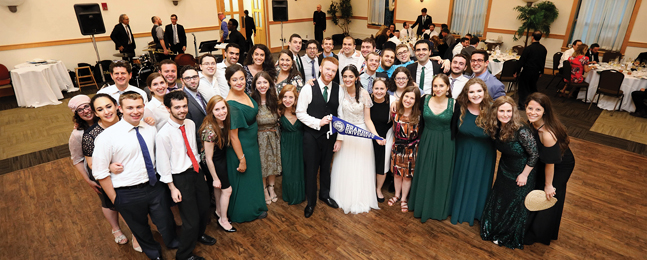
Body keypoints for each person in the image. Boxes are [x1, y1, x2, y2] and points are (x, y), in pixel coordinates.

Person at [92, 91, 179, 259]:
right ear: (120, 109)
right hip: (127, 191)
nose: (135, 111)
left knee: (166, 220)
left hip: (154, 185)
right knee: (140, 228)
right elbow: (100, 172)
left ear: (144, 107)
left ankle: (173, 242)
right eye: (130, 108)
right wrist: (115, 199)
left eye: (139, 107)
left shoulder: (149, 128)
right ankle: (154, 253)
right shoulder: (106, 137)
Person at [69, 94, 137, 250]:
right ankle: (116, 229)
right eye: (81, 110)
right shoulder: (79, 134)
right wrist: (88, 180)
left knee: (127, 202)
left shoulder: (120, 119)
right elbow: (78, 159)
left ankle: (136, 232)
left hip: (123, 168)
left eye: (87, 107)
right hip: (100, 171)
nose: (86, 111)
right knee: (109, 202)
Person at [156, 90, 216, 260]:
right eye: (177, 107)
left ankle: (199, 235)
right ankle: (184, 255)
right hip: (179, 178)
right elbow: (163, 164)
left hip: (195, 172)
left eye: (184, 106)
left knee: (204, 209)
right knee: (191, 220)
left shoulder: (189, 123)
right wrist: (172, 187)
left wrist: (200, 171)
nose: (182, 110)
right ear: (168, 109)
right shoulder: (163, 134)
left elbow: (194, 150)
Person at [480, 96, 538, 249]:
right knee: (501, 199)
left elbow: (534, 154)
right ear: (496, 112)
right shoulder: (496, 127)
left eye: (509, 111)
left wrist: (524, 175)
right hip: (505, 168)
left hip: (522, 171)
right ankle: (495, 228)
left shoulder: (521, 130)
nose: (505, 114)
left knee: (514, 203)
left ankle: (507, 233)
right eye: (501, 111)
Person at [330, 65, 384, 214]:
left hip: (361, 135)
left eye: (350, 76)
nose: (347, 79)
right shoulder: (339, 91)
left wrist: (375, 135)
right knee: (345, 167)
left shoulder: (364, 94)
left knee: (360, 167)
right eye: (345, 76)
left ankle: (361, 197)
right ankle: (343, 195)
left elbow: (368, 119)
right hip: (345, 134)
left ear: (357, 78)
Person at [523, 92, 575, 245]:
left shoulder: (547, 133)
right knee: (539, 190)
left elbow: (550, 163)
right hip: (548, 160)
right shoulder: (534, 122)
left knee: (548, 196)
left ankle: (540, 233)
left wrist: (548, 185)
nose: (533, 112)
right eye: (530, 108)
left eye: (537, 110)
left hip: (560, 165)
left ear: (544, 111)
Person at [295, 57, 343, 218]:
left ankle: (325, 194)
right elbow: (300, 113)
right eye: (327, 69)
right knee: (311, 169)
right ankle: (311, 202)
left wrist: (340, 138)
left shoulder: (338, 89)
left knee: (326, 167)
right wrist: (318, 122)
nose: (330, 73)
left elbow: (340, 115)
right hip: (311, 136)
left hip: (330, 136)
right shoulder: (308, 88)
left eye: (333, 71)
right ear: (321, 68)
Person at [408, 74, 458, 222]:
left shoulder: (454, 103)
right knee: (425, 172)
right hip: (427, 140)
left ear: (448, 87)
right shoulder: (424, 99)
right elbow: (408, 105)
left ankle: (437, 209)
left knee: (442, 174)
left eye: (441, 86)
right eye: (435, 86)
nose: (438, 89)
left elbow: (457, 126)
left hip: (446, 142)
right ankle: (421, 205)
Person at [448, 78, 496, 226]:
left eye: (479, 91)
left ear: (485, 92)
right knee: (459, 179)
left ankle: (475, 212)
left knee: (477, 183)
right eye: (472, 91)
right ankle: (453, 208)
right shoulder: (459, 107)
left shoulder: (493, 110)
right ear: (466, 94)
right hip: (461, 151)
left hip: (483, 155)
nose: (476, 95)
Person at [224, 64, 268, 222]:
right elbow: (233, 136)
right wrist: (241, 158)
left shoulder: (244, 93)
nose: (239, 82)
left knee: (253, 178)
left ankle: (256, 206)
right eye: (234, 80)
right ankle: (244, 212)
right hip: (241, 148)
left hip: (251, 144)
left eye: (241, 78)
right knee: (243, 181)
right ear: (229, 81)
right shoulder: (231, 105)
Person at [200, 95, 236, 233]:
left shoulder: (224, 122)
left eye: (223, 108)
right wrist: (215, 177)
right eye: (217, 109)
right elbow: (208, 158)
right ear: (211, 112)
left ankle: (219, 211)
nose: (221, 112)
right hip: (213, 161)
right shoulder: (209, 130)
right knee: (227, 190)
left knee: (219, 188)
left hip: (220, 157)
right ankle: (224, 220)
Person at [251, 72, 282, 205]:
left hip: (274, 136)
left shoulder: (274, 100)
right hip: (259, 137)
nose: (262, 85)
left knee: (273, 164)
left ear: (269, 84)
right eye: (259, 83)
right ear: (255, 85)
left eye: (265, 82)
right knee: (263, 165)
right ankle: (264, 190)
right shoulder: (252, 101)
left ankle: (272, 188)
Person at [389, 86, 422, 213]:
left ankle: (403, 199)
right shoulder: (395, 111)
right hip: (397, 147)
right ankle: (397, 195)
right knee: (397, 174)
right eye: (406, 96)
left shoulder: (419, 115)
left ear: (416, 100)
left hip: (411, 149)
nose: (408, 100)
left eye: (412, 98)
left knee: (407, 176)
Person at [278, 84, 306, 205]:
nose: (287, 100)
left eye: (290, 97)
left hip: (300, 143)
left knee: (299, 169)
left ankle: (300, 194)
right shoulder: (279, 111)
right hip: (286, 144)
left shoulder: (301, 111)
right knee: (288, 170)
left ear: (295, 98)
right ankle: (289, 194)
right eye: (285, 97)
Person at [370, 79, 395, 203]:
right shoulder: (367, 100)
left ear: (386, 90)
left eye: (382, 89)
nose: (379, 91)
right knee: (368, 163)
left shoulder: (392, 101)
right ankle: (368, 188)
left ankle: (378, 189)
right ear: (372, 89)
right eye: (376, 88)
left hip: (385, 137)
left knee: (382, 165)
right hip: (369, 136)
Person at [516, 31, 547, 109]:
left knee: (523, 88)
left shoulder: (528, 48)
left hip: (527, 71)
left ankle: (522, 105)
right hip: (536, 72)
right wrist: (541, 71)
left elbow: (522, 61)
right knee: (532, 87)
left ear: (532, 37)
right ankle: (534, 103)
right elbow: (543, 61)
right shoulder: (543, 49)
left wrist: (516, 71)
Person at [181, 66, 208, 147]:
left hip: (208, 141)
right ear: (182, 81)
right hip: (199, 145)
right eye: (188, 78)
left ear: (199, 77)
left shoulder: (199, 94)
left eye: (194, 77)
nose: (192, 81)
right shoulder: (183, 99)